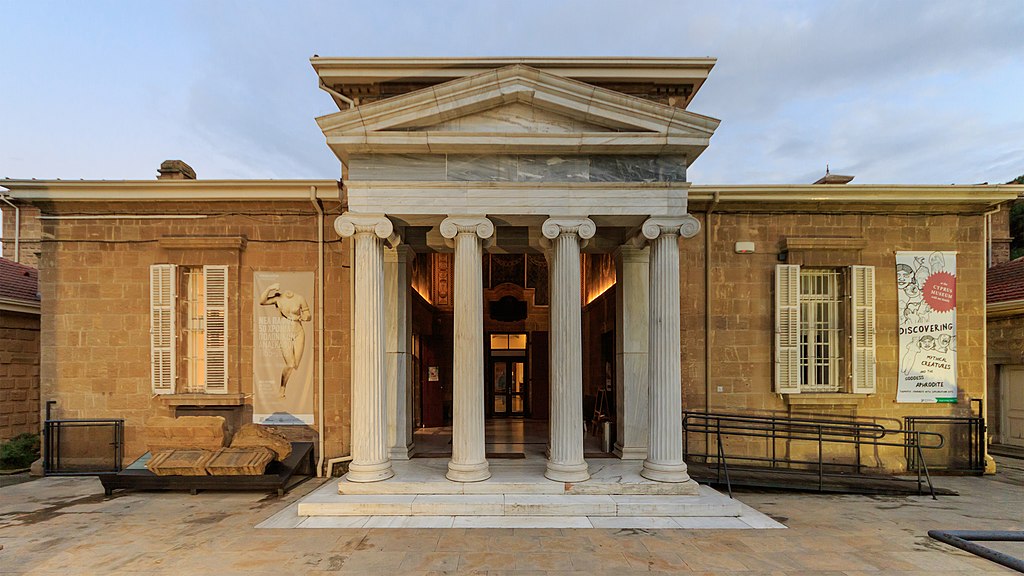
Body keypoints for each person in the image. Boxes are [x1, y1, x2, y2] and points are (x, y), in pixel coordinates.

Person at [259, 283, 311, 398]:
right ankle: (282, 388)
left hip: (298, 331)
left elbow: (308, 314)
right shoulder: (278, 298)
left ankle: (294, 390)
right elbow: (262, 301)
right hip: (285, 330)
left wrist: (304, 317)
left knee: (296, 364)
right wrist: (269, 288)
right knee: (291, 364)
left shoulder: (299, 298)